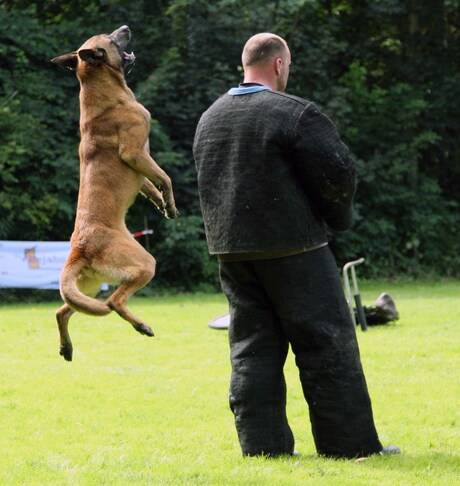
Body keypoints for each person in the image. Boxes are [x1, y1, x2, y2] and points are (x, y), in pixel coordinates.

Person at [193, 33, 400, 459]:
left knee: (251, 349)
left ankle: (263, 449)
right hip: (295, 249)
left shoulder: (210, 118)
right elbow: (339, 174)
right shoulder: (295, 114)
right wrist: (337, 220)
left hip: (232, 252)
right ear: (279, 65)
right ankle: (350, 447)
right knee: (326, 345)